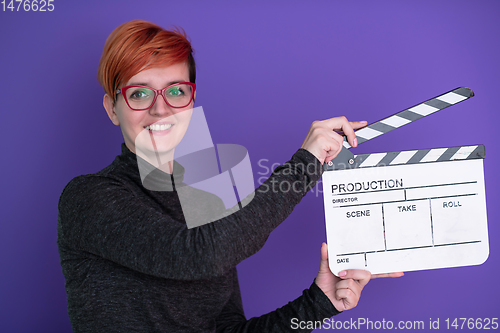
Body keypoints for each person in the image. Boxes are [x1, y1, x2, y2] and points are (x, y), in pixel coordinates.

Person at [57, 20, 402, 332]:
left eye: (176, 91)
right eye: (139, 93)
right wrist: (304, 166)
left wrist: (318, 303)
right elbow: (197, 255)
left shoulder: (207, 204)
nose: (160, 108)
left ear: (191, 102)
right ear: (111, 108)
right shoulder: (87, 198)